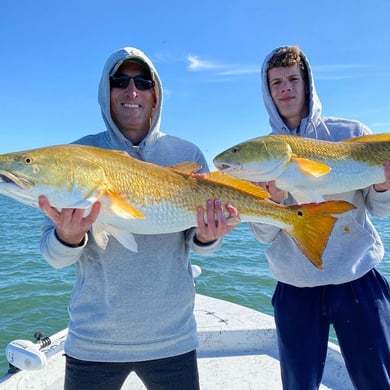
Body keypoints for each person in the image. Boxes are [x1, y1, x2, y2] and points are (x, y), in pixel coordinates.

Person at [38, 46, 238, 390]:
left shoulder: (186, 153)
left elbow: (199, 246)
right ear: (107, 91)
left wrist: (208, 236)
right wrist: (68, 236)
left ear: (155, 94)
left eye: (142, 82)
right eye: (120, 81)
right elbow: (52, 256)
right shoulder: (77, 157)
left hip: (172, 339)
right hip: (93, 341)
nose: (132, 92)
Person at [250, 45, 390, 389]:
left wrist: (385, 187)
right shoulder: (259, 154)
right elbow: (262, 235)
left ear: (307, 83)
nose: (285, 88)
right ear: (268, 92)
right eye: (276, 82)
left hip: (358, 277)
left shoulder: (352, 133)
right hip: (295, 286)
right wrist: (275, 202)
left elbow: (378, 210)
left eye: (292, 79)